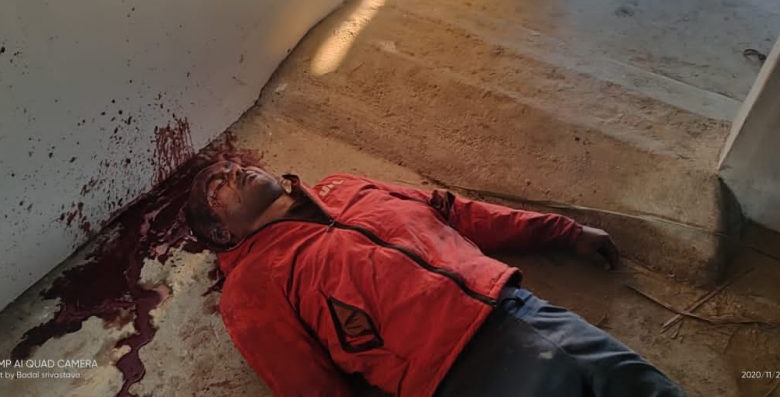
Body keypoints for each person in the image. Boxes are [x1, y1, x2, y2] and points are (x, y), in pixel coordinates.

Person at [185, 161, 684, 397]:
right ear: (221, 233)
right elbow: (309, 388)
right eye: (218, 185)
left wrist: (562, 232)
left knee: (649, 389)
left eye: (236, 164)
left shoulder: (344, 185)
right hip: (458, 377)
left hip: (522, 311)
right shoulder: (249, 291)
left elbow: (453, 211)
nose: (237, 171)